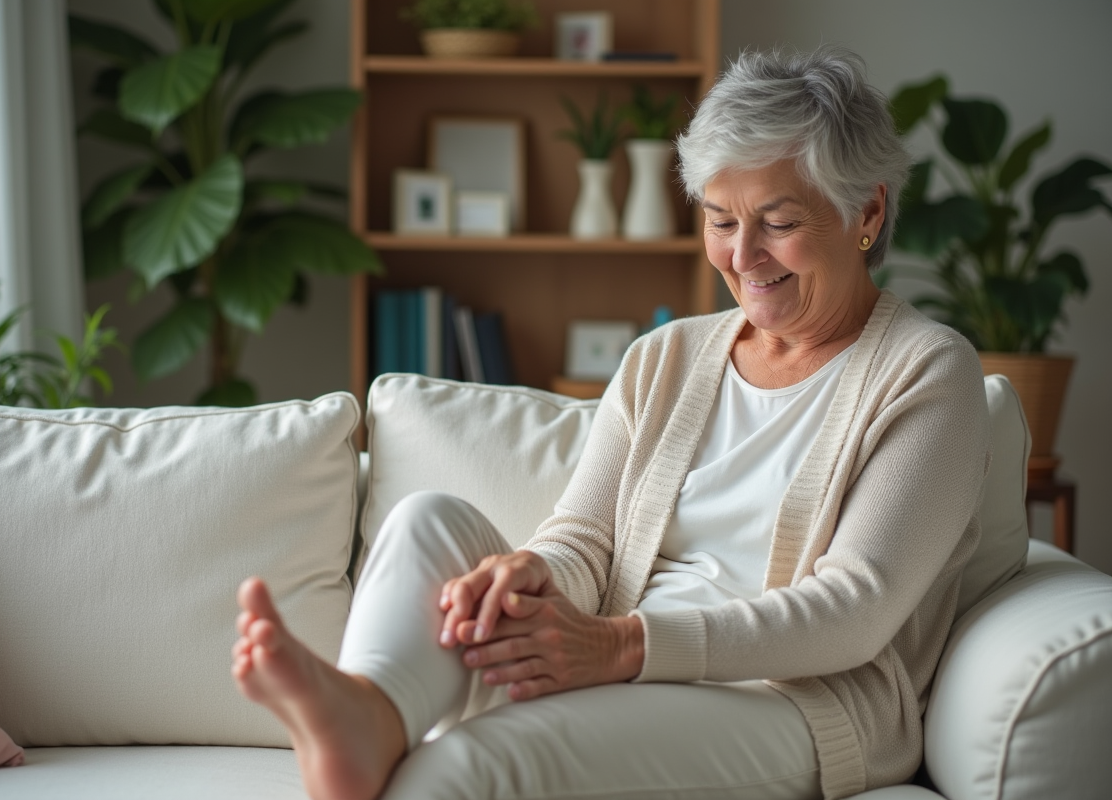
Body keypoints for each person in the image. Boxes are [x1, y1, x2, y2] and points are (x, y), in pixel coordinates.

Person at [230, 46, 990, 800]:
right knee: (430, 523)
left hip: (787, 698)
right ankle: (371, 709)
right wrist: (536, 576)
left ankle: (371, 738)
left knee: (467, 766)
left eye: (778, 221)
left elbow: (852, 612)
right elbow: (584, 538)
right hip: (617, 655)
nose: (744, 254)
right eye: (721, 219)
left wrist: (621, 647)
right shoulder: (666, 357)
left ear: (868, 210)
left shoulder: (927, 371)